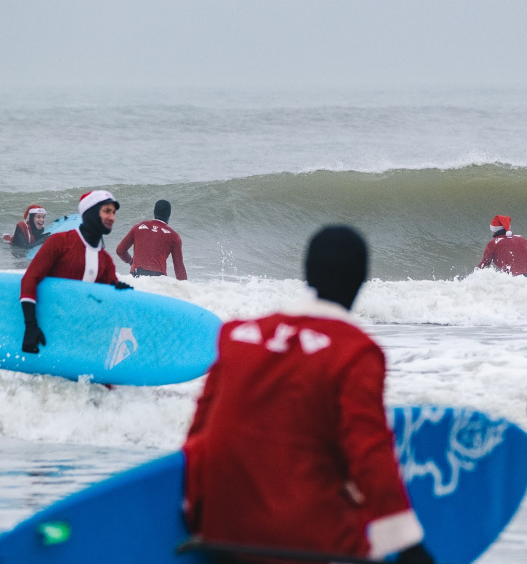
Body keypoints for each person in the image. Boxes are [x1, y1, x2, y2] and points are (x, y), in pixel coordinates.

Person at [183, 225, 435, 564]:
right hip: (303, 540)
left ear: (306, 272)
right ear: (362, 280)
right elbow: (368, 448)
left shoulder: (237, 334)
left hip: (221, 530)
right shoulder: (355, 352)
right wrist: (407, 542)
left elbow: (199, 432)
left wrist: (193, 510)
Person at [20, 190, 132, 354]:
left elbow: (102, 301)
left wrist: (117, 291)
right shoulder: (60, 242)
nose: (112, 217)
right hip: (49, 334)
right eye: (107, 211)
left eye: (114, 212)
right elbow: (30, 279)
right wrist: (30, 327)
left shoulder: (106, 260)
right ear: (91, 212)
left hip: (82, 339)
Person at [115, 199, 188, 280]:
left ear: (154, 212)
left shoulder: (138, 227)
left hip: (136, 276)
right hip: (158, 280)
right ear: (169, 214)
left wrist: (131, 262)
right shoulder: (174, 236)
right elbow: (179, 268)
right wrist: (184, 290)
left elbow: (120, 250)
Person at [475, 215, 527, 279]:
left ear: (494, 230)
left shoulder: (493, 243)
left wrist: (471, 280)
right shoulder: (522, 239)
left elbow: (483, 266)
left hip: (513, 281)